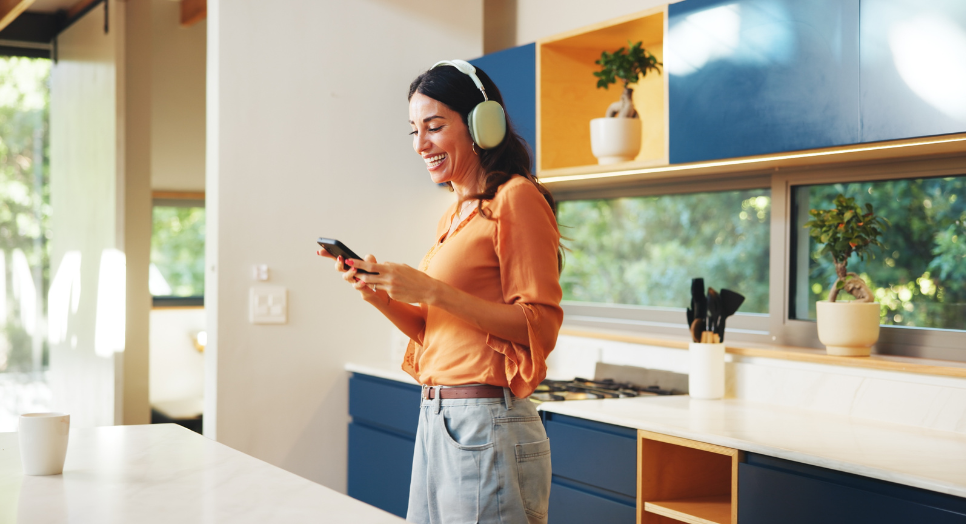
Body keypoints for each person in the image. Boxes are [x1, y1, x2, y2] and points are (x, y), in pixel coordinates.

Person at [317, 59, 563, 524]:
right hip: (440, 419)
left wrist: (431, 289)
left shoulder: (516, 198)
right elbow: (439, 331)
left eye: (433, 126)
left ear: (479, 124)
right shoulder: (455, 213)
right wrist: (382, 296)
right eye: (413, 131)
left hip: (487, 422)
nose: (420, 144)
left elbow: (540, 324)